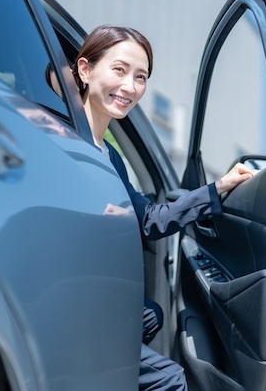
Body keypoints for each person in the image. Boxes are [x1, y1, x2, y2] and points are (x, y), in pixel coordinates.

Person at [72, 25, 255, 391]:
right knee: (170, 379)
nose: (130, 87)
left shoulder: (110, 156)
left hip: (99, 294)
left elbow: (151, 220)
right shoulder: (61, 137)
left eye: (140, 77)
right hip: (73, 298)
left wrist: (218, 188)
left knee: (151, 315)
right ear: (85, 70)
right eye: (119, 70)